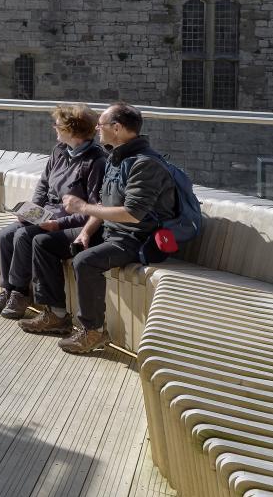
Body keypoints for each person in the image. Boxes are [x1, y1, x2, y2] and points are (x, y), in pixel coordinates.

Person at [22, 101, 179, 354]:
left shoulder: (144, 164)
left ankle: (93, 331)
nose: (96, 130)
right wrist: (85, 231)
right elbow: (105, 204)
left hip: (134, 239)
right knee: (43, 242)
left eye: (101, 125)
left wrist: (83, 208)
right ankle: (57, 315)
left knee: (85, 261)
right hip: (110, 231)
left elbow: (133, 214)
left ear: (116, 128)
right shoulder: (117, 157)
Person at [0, 103, 106, 318]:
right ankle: (8, 289)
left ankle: (20, 293)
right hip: (47, 214)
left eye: (58, 125)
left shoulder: (95, 161)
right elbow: (43, 184)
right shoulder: (59, 151)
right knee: (5, 235)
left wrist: (58, 223)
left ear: (72, 130)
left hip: (70, 221)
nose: (54, 128)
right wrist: (31, 210)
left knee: (23, 236)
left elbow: (95, 209)